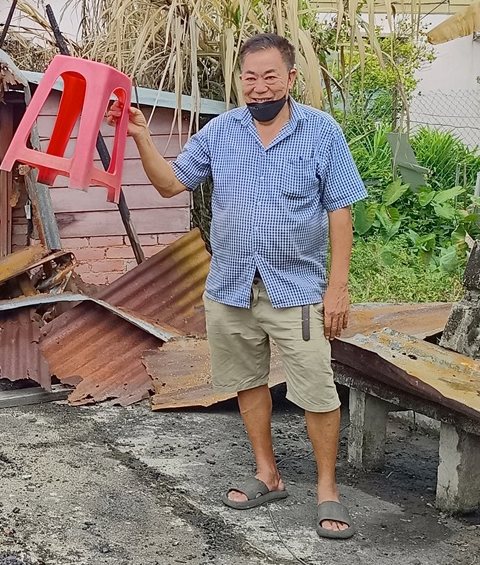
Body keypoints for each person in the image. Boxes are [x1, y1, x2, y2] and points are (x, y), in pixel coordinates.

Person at [110, 33, 366, 539]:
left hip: (296, 288)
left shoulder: (321, 132)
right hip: (230, 286)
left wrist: (338, 287)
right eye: (250, 77)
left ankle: (327, 488)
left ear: (290, 78)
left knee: (317, 389)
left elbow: (341, 210)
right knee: (248, 381)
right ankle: (267, 474)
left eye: (270, 76)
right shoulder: (221, 131)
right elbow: (170, 184)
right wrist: (139, 135)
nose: (259, 87)